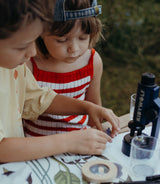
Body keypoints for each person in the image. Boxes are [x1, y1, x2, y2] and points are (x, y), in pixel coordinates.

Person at [0, 0, 120, 163]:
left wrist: (86, 107)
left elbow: (36, 98)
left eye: (33, 41)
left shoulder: (11, 65)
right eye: (22, 46)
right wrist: (70, 141)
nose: (33, 51)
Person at [23, 0, 105, 136]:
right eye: (62, 40)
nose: (74, 48)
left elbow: (95, 108)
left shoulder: (93, 61)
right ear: (41, 32)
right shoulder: (29, 62)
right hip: (37, 147)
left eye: (83, 38)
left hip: (80, 143)